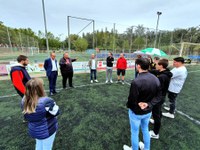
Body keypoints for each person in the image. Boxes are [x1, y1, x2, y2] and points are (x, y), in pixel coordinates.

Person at [123, 58, 161, 150]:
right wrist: (149, 104)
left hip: (136, 113)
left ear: (138, 66)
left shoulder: (136, 81)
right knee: (145, 129)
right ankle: (146, 148)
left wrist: (143, 104)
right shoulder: (155, 78)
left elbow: (132, 100)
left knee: (135, 132)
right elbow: (159, 96)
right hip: (148, 112)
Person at [22, 78, 60, 150]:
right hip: (47, 129)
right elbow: (56, 111)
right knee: (47, 147)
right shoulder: (46, 101)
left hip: (34, 129)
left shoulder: (24, 100)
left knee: (39, 144)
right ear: (40, 89)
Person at [149, 59, 172, 139]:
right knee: (158, 111)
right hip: (161, 97)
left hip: (158, 97)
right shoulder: (164, 72)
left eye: (157, 64)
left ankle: (155, 133)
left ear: (161, 66)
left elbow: (157, 89)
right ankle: (156, 122)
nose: (156, 66)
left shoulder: (162, 77)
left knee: (156, 114)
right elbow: (155, 72)